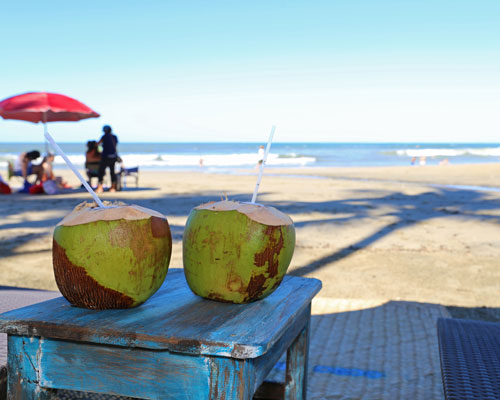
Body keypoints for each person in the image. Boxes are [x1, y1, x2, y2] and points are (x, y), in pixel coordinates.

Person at [96, 125, 119, 193]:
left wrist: (99, 149)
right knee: (112, 172)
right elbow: (115, 145)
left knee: (101, 172)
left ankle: (100, 187)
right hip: (113, 157)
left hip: (105, 157)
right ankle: (113, 188)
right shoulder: (114, 137)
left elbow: (97, 144)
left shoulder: (104, 136)